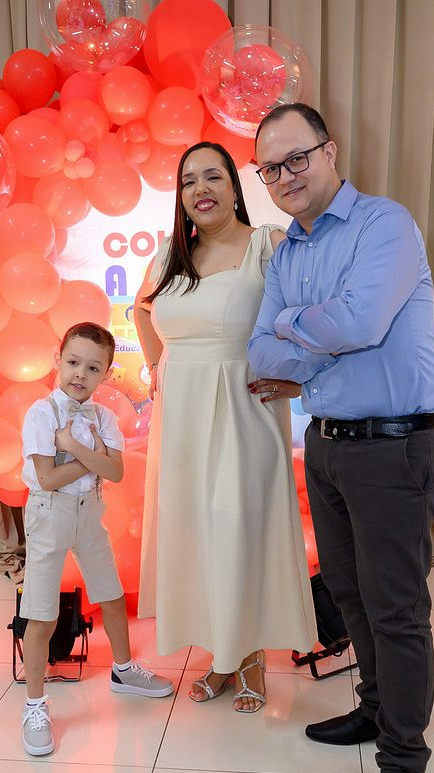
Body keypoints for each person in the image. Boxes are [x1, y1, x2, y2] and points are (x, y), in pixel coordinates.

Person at [248, 104, 434, 773]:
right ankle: (374, 708)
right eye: (270, 167)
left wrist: (293, 331)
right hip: (328, 444)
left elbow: (361, 323)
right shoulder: (287, 254)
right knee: (348, 593)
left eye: (295, 157)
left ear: (329, 152)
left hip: (394, 445)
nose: (284, 176)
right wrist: (313, 335)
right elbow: (260, 355)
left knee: (395, 611)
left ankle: (401, 767)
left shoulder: (382, 225)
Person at [134, 141, 316, 713]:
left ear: (235, 188)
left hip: (243, 410)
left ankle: (251, 654)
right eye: (189, 181)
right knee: (197, 532)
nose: (200, 189)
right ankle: (222, 654)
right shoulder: (170, 255)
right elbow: (142, 309)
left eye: (212, 176)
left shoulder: (269, 244)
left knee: (240, 529)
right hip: (182, 417)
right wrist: (156, 369)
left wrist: (297, 377)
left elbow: (315, 314)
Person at [20, 321, 173, 757]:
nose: (80, 375)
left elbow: (117, 471)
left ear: (106, 373)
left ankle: (124, 670)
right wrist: (95, 459)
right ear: (58, 360)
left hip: (89, 511)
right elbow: (47, 478)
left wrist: (74, 447)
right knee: (41, 613)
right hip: (49, 514)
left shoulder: (103, 416)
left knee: (111, 596)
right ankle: (34, 706)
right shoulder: (41, 414)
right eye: (73, 362)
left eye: (92, 368)